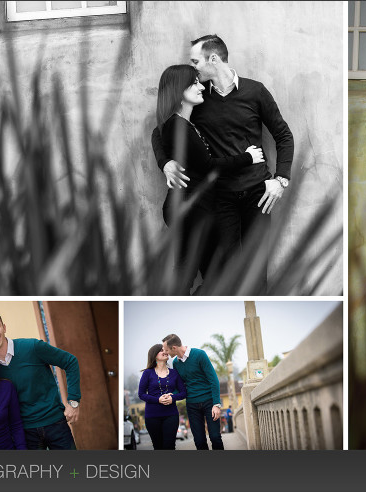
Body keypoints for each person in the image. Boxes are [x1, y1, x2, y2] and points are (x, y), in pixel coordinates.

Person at [152, 34, 295, 294]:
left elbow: (283, 135)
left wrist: (280, 179)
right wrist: (165, 162)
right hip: (220, 198)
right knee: (227, 270)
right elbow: (162, 129)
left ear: (213, 59)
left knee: (255, 268)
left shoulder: (256, 91)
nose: (193, 68)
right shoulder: (198, 97)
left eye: (195, 62)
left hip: (258, 195)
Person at [155, 64, 265, 294]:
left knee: (214, 273)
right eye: (194, 83)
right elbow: (208, 166)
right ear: (178, 90)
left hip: (201, 208)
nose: (200, 87)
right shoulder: (176, 125)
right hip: (187, 206)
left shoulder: (186, 123)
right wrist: (247, 157)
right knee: (186, 271)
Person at [0, 311, 81, 450]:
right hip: (24, 434)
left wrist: (73, 402)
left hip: (56, 424)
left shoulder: (32, 347)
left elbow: (70, 362)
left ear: (4, 328)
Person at [162, 333, 223, 450]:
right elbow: (180, 386)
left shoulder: (200, 355)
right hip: (192, 405)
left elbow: (213, 379)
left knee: (215, 437)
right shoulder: (175, 363)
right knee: (199, 441)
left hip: (209, 402)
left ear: (174, 348)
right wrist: (172, 395)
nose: (165, 352)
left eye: (166, 350)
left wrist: (216, 404)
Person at [138, 343, 187, 450]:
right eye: (161, 350)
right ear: (155, 355)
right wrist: (158, 400)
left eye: (165, 350)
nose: (165, 352)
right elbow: (141, 394)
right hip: (152, 416)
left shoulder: (174, 373)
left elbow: (183, 393)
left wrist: (173, 397)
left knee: (169, 447)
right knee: (158, 447)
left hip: (171, 415)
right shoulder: (147, 373)